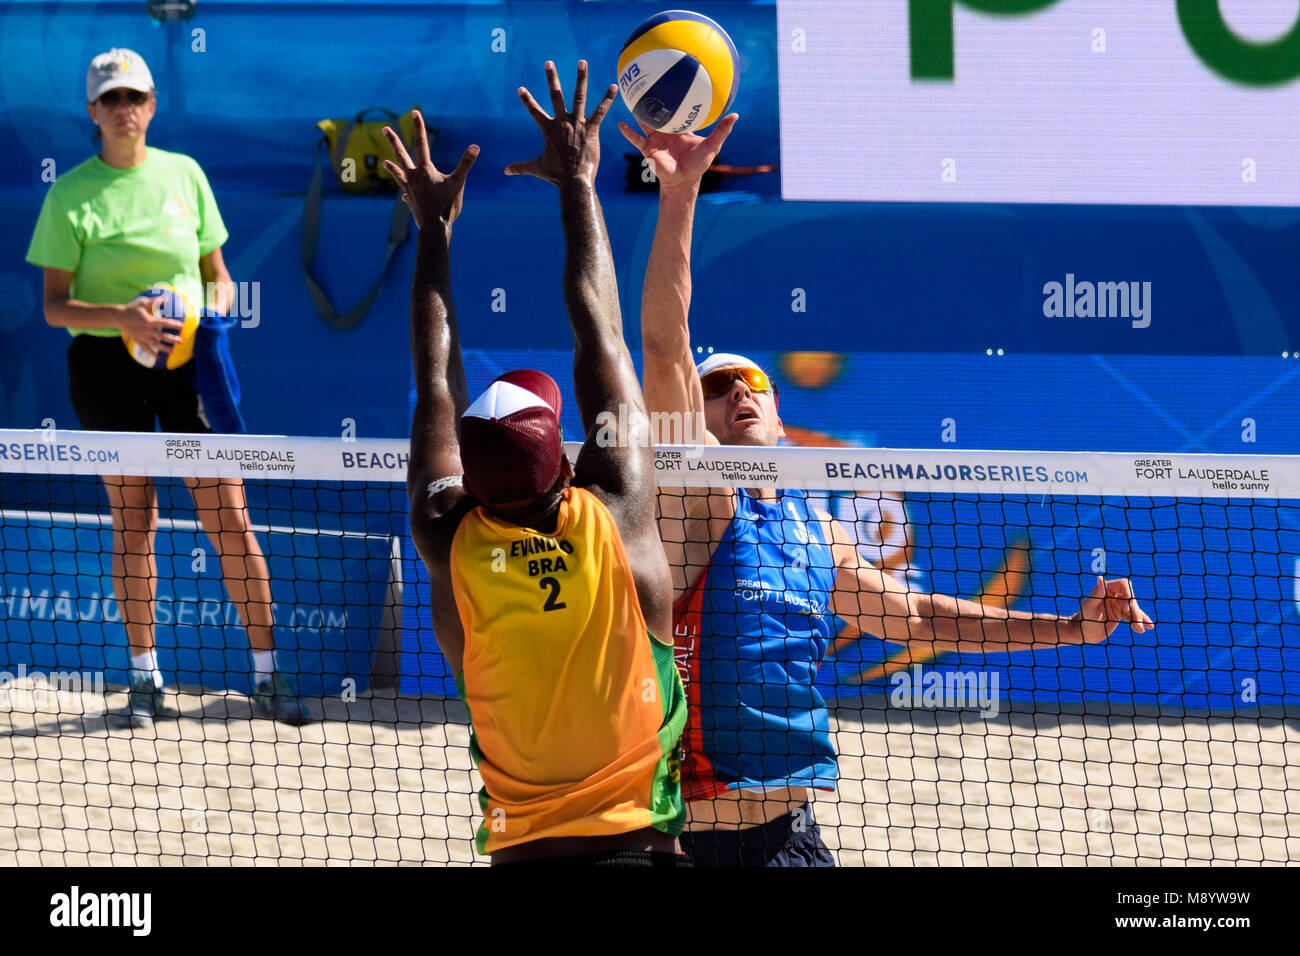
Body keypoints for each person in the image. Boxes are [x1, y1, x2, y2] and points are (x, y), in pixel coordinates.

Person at [621, 115, 1155, 867]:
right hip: (689, 848)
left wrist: (1070, 627)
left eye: (755, 383)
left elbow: (921, 619)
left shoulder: (813, 533)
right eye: (717, 386)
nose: (739, 389)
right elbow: (663, 345)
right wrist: (681, 195)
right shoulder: (697, 498)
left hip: (791, 842)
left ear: (778, 415)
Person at [390, 61, 688, 866]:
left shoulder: (445, 534)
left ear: (467, 483)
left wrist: (433, 234)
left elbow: (434, 390)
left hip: (522, 853)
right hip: (640, 847)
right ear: (565, 465)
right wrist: (578, 182)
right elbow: (604, 339)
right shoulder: (619, 515)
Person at [25, 48, 308, 727]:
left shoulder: (185, 175)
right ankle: (145, 680)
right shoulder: (70, 194)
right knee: (136, 523)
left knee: (229, 517)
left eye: (134, 98)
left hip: (189, 363)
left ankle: (268, 677)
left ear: (152, 106)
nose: (124, 109)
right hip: (105, 366)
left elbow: (219, 275)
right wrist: (123, 317)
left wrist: (207, 316)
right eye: (110, 99)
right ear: (93, 112)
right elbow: (55, 306)